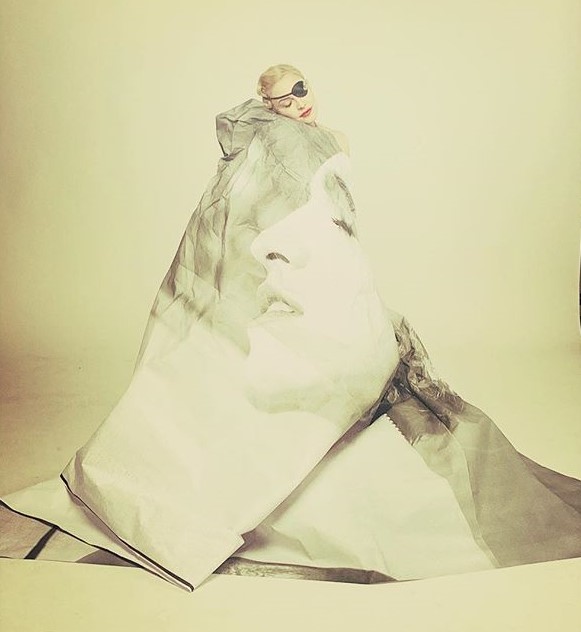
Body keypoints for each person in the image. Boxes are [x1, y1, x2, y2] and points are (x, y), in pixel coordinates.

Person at [2, 70, 581, 589]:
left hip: (334, 264)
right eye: (284, 97)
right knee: (311, 383)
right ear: (268, 105)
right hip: (310, 266)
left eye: (302, 89)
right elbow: (263, 215)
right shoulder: (277, 143)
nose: (299, 102)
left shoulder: (324, 138)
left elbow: (333, 213)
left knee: (354, 376)